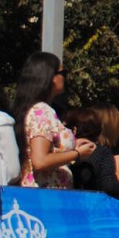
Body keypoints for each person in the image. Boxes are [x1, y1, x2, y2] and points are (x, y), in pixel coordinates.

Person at [12, 51, 90, 190]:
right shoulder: (42, 111)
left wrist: (72, 146)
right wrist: (77, 154)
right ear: (51, 77)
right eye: (63, 73)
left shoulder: (30, 109)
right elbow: (40, 160)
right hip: (45, 195)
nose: (65, 78)